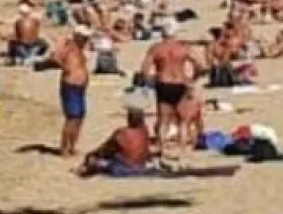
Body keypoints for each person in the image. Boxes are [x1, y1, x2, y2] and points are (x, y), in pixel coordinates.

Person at [140, 22, 198, 153]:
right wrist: (192, 78)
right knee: (182, 121)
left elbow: (144, 69)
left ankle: (162, 149)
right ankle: (182, 151)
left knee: (163, 120)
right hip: (180, 82)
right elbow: (201, 63)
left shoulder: (156, 48)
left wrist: (150, 81)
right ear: (176, 33)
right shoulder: (183, 48)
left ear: (162, 33)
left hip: (163, 83)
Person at [75, 106, 154, 177]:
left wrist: (92, 154)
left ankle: (86, 169)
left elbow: (105, 149)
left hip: (124, 169)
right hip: (142, 167)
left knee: (97, 159)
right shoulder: (145, 131)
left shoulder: (122, 132)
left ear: (128, 119)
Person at [55, 26, 92, 157]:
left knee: (79, 117)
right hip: (70, 86)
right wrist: (66, 68)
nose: (86, 40)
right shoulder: (69, 48)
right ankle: (64, 148)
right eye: (84, 38)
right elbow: (55, 57)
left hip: (80, 87)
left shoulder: (81, 50)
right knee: (71, 118)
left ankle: (72, 146)